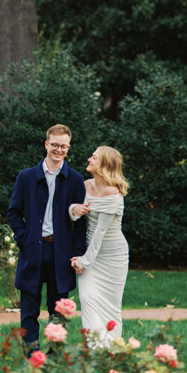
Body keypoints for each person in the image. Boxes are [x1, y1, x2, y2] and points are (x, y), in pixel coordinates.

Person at [7, 124, 88, 353]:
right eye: (55, 145)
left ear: (69, 147)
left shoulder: (74, 179)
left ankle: (54, 353)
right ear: (46, 144)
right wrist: (23, 238)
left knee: (58, 307)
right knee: (29, 306)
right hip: (32, 248)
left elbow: (80, 222)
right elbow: (13, 212)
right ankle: (31, 353)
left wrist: (78, 253)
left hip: (61, 252)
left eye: (63, 146)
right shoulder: (26, 177)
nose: (58, 150)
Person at [70, 146, 129, 346]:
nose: (89, 159)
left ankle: (111, 351)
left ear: (104, 165)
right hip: (90, 254)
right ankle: (95, 351)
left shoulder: (113, 193)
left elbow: (100, 232)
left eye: (94, 157)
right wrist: (73, 210)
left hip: (112, 257)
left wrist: (83, 261)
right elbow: (70, 209)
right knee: (87, 300)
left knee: (111, 307)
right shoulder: (85, 185)